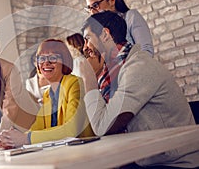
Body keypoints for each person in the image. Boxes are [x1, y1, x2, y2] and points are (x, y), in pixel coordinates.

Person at [80, 11, 199, 168]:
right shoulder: (114, 72)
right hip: (145, 159)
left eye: (87, 38)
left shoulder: (138, 67)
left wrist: (88, 80)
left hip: (175, 163)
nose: (84, 48)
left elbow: (102, 126)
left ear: (105, 34)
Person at [0, 39, 94, 148]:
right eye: (42, 58)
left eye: (53, 58)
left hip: (84, 151)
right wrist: (9, 140)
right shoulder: (48, 94)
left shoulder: (74, 83)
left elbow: (72, 130)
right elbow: (37, 128)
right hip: (64, 153)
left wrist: (26, 138)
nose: (46, 63)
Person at [85, 0, 154, 57]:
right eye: (89, 8)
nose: (92, 12)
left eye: (95, 5)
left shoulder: (130, 17)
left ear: (111, 0)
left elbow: (146, 51)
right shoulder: (100, 30)